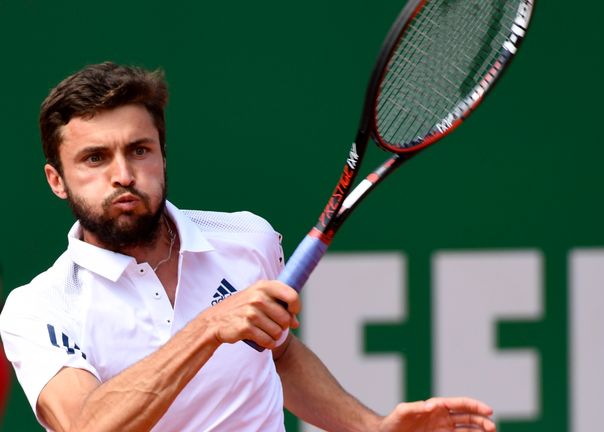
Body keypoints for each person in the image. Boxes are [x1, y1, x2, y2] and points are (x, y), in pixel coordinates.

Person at [0, 62, 496, 432]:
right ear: (57, 180)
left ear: (162, 154)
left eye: (139, 150)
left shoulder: (246, 242)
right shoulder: (37, 309)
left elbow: (277, 355)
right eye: (94, 158)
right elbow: (87, 425)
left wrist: (371, 426)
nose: (123, 174)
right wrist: (209, 328)